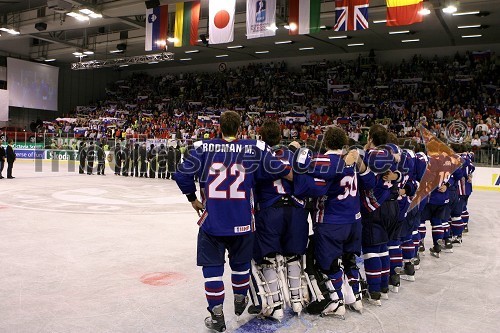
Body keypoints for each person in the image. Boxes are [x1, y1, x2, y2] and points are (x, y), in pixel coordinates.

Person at [175, 111, 292, 332]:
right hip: (243, 220)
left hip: (213, 220)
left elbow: (181, 175)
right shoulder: (254, 147)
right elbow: (277, 169)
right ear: (240, 128)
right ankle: (240, 299)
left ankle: (217, 315)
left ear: (219, 127)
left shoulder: (202, 147)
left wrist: (192, 199)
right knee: (240, 265)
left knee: (212, 268)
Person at [304, 127, 372, 317]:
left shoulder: (326, 160)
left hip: (332, 220)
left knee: (328, 263)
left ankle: (337, 302)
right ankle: (356, 298)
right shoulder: (351, 161)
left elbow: (304, 167)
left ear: (326, 143)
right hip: (354, 220)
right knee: (350, 258)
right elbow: (371, 182)